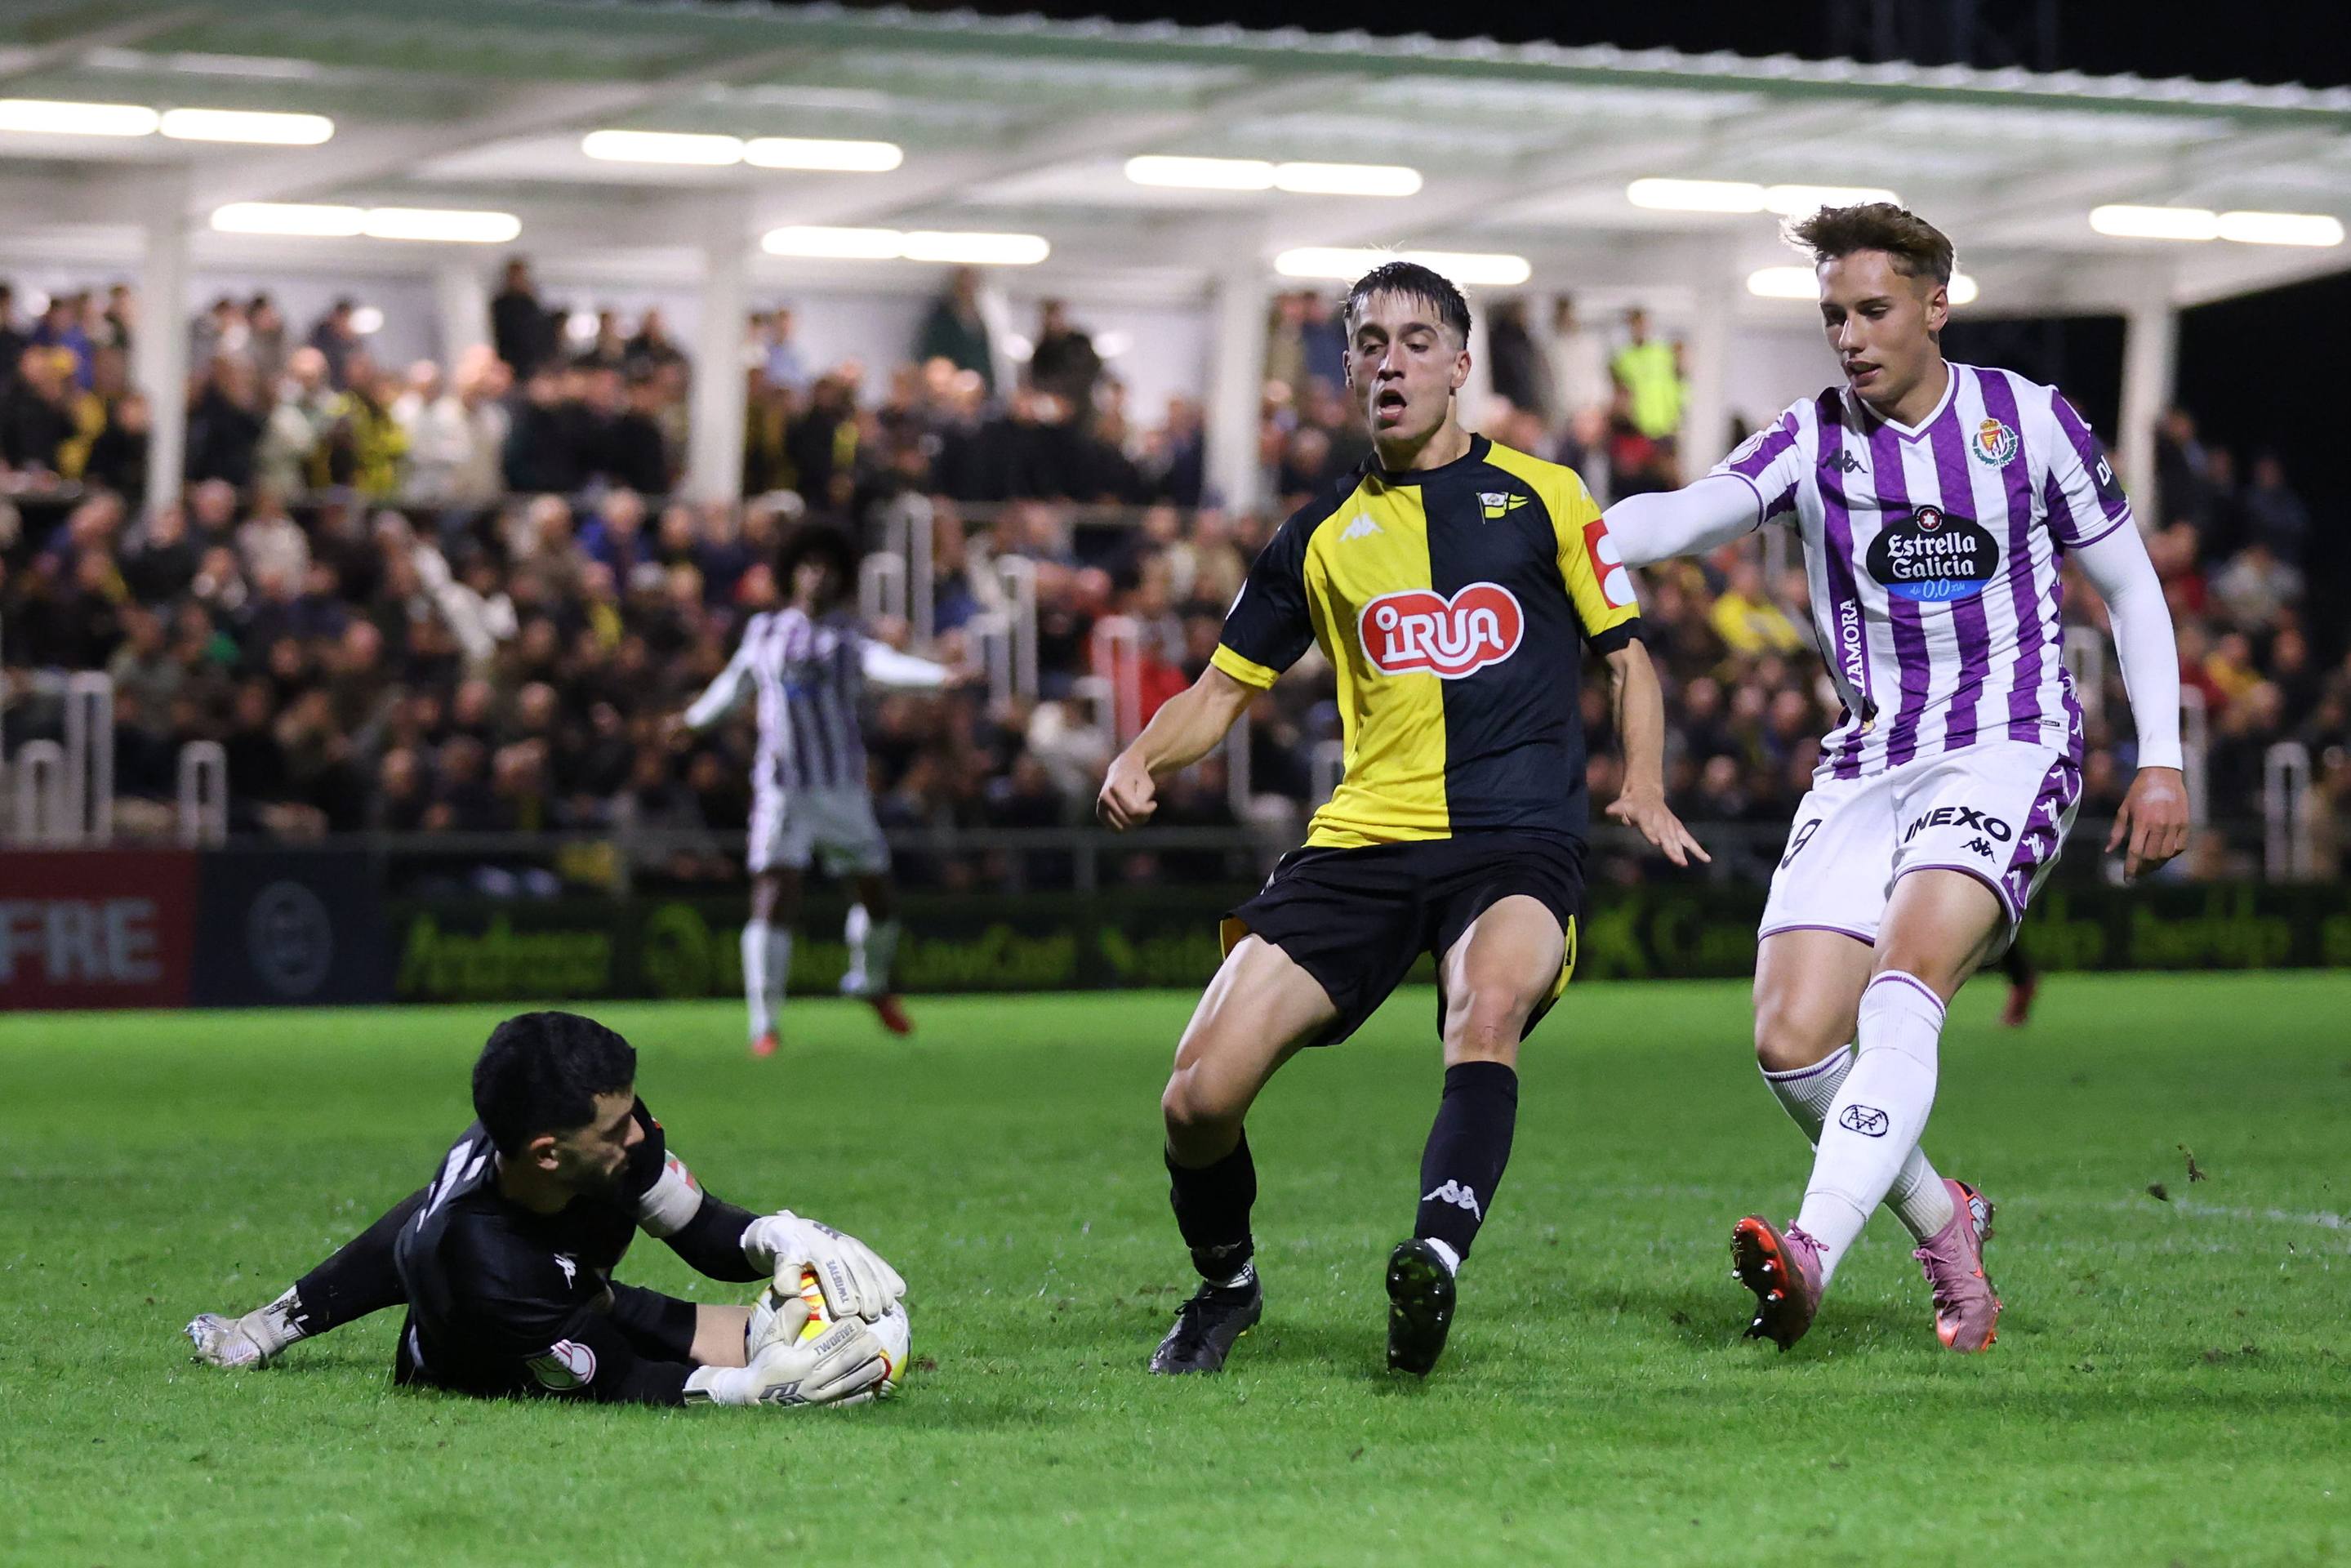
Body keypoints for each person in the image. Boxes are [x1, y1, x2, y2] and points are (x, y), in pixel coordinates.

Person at [1096, 261, 1702, 1379]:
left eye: (1416, 340)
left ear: (1460, 367)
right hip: (1363, 842)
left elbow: (1627, 658)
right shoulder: (1316, 534)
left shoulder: (1545, 496)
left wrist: (1643, 780)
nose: (1389, 359)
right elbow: (1224, 689)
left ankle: (1432, 1256)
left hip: (1515, 838)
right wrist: (1142, 752)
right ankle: (1225, 1287)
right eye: (1368, 341)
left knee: (1484, 1015)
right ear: (1345, 369)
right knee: (1196, 1096)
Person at [1603, 203, 2188, 1352]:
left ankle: (1810, 1250)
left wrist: (2159, 759)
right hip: (1867, 754)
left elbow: (2127, 588)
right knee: (1788, 1040)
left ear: (1934, 305)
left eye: (1871, 310)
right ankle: (1943, 1219)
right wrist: (1592, 532)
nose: (1849, 336)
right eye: (1831, 314)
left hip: (2008, 741)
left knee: (1901, 984)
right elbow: (1684, 516)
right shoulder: (1809, 436)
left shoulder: (2025, 421)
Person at [185, 1011, 906, 1407]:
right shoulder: (484, 1272)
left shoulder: (603, 1135)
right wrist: (749, 1390)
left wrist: (779, 1235)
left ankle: (271, 1325)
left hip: (572, 1286)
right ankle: (274, 1326)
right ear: (549, 1154)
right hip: (485, 1352)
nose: (641, 1135)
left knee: (797, 1328)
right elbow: (621, 1379)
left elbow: (700, 1230)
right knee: (759, 1365)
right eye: (617, 1129)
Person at [678, 525, 957, 1054]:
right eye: (807, 565)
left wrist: (937, 677)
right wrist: (692, 721)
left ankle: (868, 981)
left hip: (840, 788)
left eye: (826, 566)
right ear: (791, 573)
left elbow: (884, 666)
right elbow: (734, 684)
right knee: (773, 892)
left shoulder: (846, 638)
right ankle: (764, 1025)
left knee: (875, 895)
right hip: (781, 788)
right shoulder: (764, 632)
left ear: (839, 577)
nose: (816, 574)